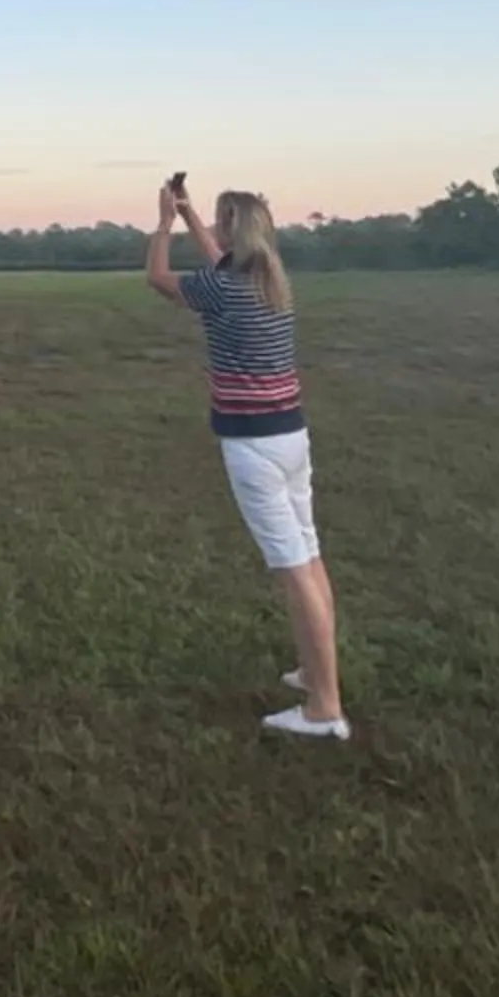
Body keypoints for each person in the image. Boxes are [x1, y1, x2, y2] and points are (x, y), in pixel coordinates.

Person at [145, 174, 349, 740]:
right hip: (290, 435)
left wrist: (162, 222)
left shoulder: (224, 287)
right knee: (308, 554)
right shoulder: (268, 278)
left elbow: (158, 279)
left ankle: (325, 708)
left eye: (216, 220)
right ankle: (312, 673)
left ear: (233, 230)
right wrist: (186, 215)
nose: (210, 227)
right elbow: (216, 260)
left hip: (252, 443)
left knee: (292, 570)